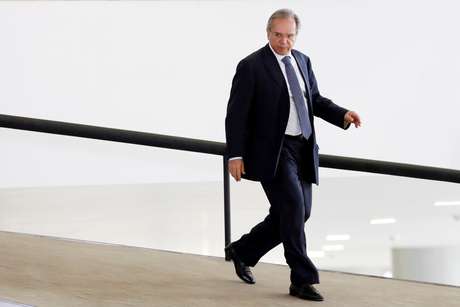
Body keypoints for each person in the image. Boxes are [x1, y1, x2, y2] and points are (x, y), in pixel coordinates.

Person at [224, 8, 362, 301]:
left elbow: (313, 100)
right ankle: (302, 279)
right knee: (293, 210)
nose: (284, 42)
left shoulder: (302, 61)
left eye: (289, 36)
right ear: (268, 33)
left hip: (303, 147)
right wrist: (234, 155)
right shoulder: (251, 66)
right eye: (278, 35)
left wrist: (343, 114)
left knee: (300, 212)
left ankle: (243, 250)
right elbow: (236, 116)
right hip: (272, 152)